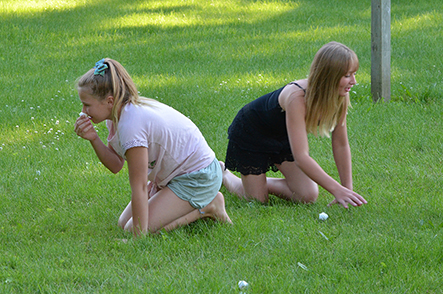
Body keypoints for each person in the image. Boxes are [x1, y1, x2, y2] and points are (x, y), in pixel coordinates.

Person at [74, 58, 232, 236]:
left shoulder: (131, 125)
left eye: (87, 105)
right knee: (122, 223)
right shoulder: (116, 116)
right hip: (172, 177)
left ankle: (210, 207)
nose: (83, 111)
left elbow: (140, 187)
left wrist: (138, 238)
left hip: (196, 177)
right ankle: (187, 201)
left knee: (134, 229)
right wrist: (94, 139)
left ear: (110, 101)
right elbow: (115, 165)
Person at [221, 42, 368, 209]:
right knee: (257, 201)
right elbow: (301, 157)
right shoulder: (296, 97)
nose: (354, 81)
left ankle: (257, 182)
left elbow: (341, 144)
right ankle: (224, 174)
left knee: (308, 195)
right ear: (329, 76)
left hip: (282, 134)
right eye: (348, 75)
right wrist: (335, 189)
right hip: (252, 131)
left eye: (354, 74)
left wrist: (346, 189)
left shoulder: (340, 96)